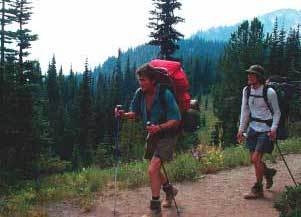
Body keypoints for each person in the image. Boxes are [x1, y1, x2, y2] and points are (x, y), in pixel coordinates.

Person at [116, 63, 181, 216]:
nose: (140, 83)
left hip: (168, 134)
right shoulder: (140, 93)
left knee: (152, 169)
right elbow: (135, 113)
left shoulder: (165, 94)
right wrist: (123, 115)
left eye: (143, 80)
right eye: (139, 80)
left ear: (153, 80)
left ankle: (155, 209)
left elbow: (176, 119)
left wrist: (159, 128)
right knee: (155, 170)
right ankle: (170, 191)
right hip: (153, 134)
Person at [237, 64, 281, 199]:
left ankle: (257, 188)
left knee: (256, 158)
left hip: (266, 130)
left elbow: (277, 113)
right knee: (254, 160)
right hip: (253, 128)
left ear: (259, 77)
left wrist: (273, 129)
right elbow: (245, 111)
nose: (249, 76)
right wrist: (241, 129)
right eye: (249, 74)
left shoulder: (269, 92)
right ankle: (267, 173)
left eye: (252, 74)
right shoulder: (247, 90)